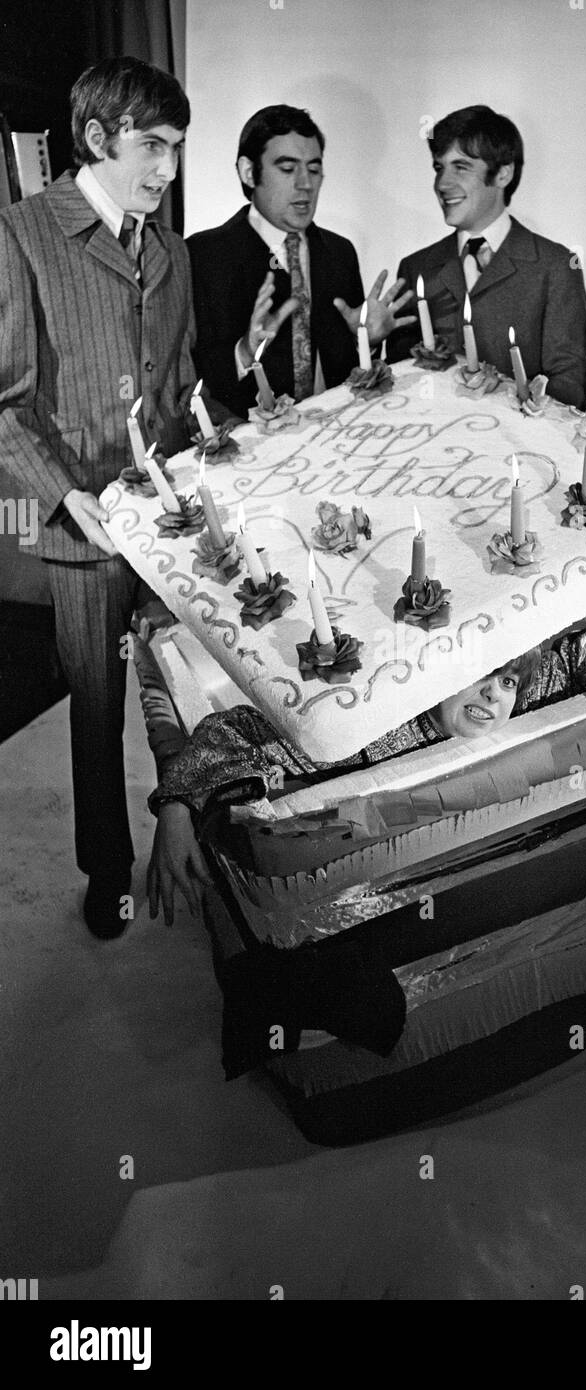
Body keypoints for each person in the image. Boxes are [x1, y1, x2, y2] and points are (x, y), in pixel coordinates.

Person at [0, 57, 211, 938]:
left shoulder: (171, 249)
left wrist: (224, 438)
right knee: (95, 705)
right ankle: (106, 871)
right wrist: (62, 497)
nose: (166, 168)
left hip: (169, 519)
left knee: (190, 688)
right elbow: (6, 401)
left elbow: (185, 379)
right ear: (95, 139)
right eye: (150, 147)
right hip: (82, 524)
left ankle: (196, 830)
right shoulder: (21, 234)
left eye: (176, 148)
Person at [147, 624, 586, 926]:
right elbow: (231, 731)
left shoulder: (517, 698)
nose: (494, 695)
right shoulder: (372, 727)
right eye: (477, 680)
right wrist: (175, 809)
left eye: (506, 683)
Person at [186, 104, 416, 418]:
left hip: (337, 441)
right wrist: (244, 351)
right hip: (246, 450)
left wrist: (366, 340)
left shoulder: (339, 252)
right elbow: (190, 376)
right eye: (287, 168)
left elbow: (351, 371)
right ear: (248, 172)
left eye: (313, 168)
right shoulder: (203, 255)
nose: (305, 184)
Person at [385, 105, 586, 407]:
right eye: (439, 167)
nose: (442, 184)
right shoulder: (416, 267)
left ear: (503, 173)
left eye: (461, 167)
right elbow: (401, 383)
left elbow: (572, 386)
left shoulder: (555, 266)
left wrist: (509, 398)